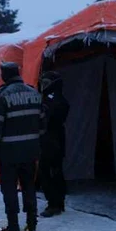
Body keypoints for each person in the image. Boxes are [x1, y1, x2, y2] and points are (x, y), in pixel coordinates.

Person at [0, 62, 42, 231]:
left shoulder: (3, 96)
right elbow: (42, 123)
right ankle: (32, 223)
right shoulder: (34, 93)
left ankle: (13, 226)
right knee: (28, 186)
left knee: (9, 189)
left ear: (5, 76)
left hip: (8, 153)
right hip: (30, 151)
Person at [37, 71, 70, 218]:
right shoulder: (55, 98)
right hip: (55, 139)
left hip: (50, 140)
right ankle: (58, 202)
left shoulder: (52, 100)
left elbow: (48, 118)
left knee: (48, 172)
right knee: (55, 171)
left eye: (45, 83)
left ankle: (54, 203)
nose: (43, 86)